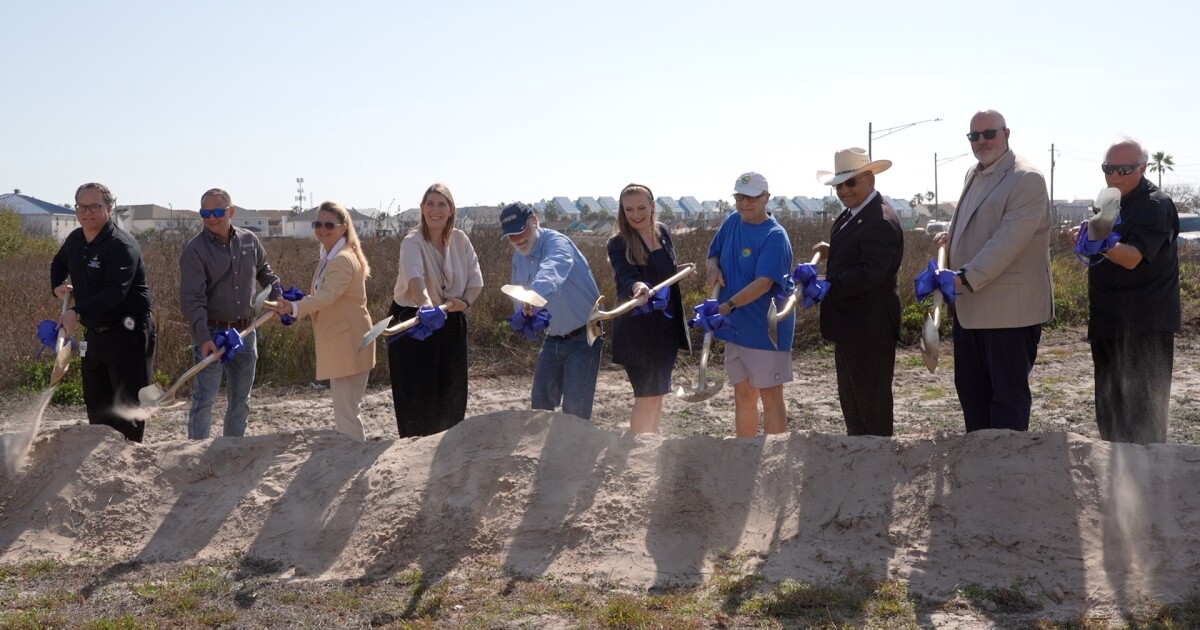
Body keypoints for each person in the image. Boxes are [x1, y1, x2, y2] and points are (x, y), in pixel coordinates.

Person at [935, 109, 1053, 433]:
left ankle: (1009, 475)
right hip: (971, 310)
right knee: (973, 397)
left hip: (1009, 315)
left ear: (1007, 133)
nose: (982, 141)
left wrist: (965, 278)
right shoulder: (973, 173)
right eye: (974, 136)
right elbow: (982, 222)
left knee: (1007, 402)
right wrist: (953, 234)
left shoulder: (1027, 178)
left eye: (989, 133)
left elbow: (1008, 241)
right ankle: (981, 471)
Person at [1080, 138, 1180, 444]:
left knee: (1143, 417)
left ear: (1142, 168)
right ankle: (1116, 481)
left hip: (1145, 326)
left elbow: (1133, 257)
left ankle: (1150, 485)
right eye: (1109, 168)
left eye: (1124, 169)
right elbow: (1101, 239)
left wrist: (1104, 243)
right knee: (1110, 413)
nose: (1115, 176)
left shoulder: (1155, 205)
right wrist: (1086, 234)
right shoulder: (1107, 200)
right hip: (1108, 321)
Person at [50, 182, 155, 442]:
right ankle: (101, 461)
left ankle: (130, 459)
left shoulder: (121, 245)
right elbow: (59, 263)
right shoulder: (76, 239)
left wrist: (75, 312)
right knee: (97, 403)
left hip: (127, 333)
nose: (87, 212)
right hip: (95, 333)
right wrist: (58, 288)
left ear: (109, 208)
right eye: (82, 207)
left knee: (127, 406)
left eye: (94, 206)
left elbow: (114, 293)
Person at [811, 148, 904, 437]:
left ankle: (877, 466)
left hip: (870, 326)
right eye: (839, 184)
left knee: (871, 404)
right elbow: (860, 252)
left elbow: (870, 274)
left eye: (851, 183)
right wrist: (833, 251)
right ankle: (861, 460)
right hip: (851, 326)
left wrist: (826, 284)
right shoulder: (854, 214)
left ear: (870, 179)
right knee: (853, 403)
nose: (843, 190)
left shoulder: (880, 220)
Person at [179, 188, 280, 440]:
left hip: (246, 332)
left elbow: (265, 272)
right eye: (205, 213)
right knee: (205, 398)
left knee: (241, 398)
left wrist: (279, 296)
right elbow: (192, 300)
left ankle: (234, 449)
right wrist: (203, 338)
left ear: (231, 211)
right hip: (211, 333)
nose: (212, 218)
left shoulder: (248, 241)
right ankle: (196, 451)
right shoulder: (195, 250)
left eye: (217, 212)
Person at [269, 201, 375, 441]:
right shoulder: (331, 255)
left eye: (329, 224)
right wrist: (298, 303)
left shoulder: (341, 259)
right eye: (318, 224)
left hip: (348, 342)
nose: (322, 229)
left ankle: (354, 456)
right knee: (346, 409)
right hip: (344, 340)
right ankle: (352, 455)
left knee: (346, 411)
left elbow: (327, 296)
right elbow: (324, 295)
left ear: (343, 227)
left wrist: (296, 307)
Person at [387, 183, 484, 437]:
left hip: (451, 321)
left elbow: (476, 281)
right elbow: (415, 279)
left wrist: (465, 304)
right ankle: (414, 449)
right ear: (422, 208)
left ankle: (447, 449)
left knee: (451, 392)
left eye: (442, 204)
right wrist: (427, 306)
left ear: (452, 210)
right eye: (430, 203)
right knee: (418, 394)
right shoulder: (412, 241)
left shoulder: (461, 239)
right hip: (414, 321)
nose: (435, 210)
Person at [705, 172, 794, 438]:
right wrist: (713, 269)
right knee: (743, 393)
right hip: (736, 327)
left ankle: (773, 456)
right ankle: (745, 453)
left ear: (766, 198)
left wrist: (727, 306)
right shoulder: (733, 221)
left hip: (766, 328)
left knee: (770, 395)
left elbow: (764, 283)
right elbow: (714, 253)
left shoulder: (775, 236)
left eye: (752, 198)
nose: (744, 204)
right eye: (739, 197)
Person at [501, 202, 603, 420]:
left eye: (521, 231)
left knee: (575, 409)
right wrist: (523, 313)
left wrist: (534, 299)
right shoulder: (519, 256)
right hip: (553, 338)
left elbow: (551, 272)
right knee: (540, 402)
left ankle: (575, 452)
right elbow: (518, 292)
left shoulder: (557, 243)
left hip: (585, 335)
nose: (518, 240)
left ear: (535, 221)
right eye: (511, 236)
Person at [606, 183, 690, 433]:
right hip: (637, 331)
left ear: (653, 206)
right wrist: (638, 287)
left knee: (658, 393)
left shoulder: (663, 232)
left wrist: (678, 272)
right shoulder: (618, 242)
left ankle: (652, 444)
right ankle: (639, 451)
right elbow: (626, 275)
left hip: (665, 329)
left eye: (641, 207)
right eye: (628, 209)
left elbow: (662, 272)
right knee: (646, 395)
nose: (635, 214)